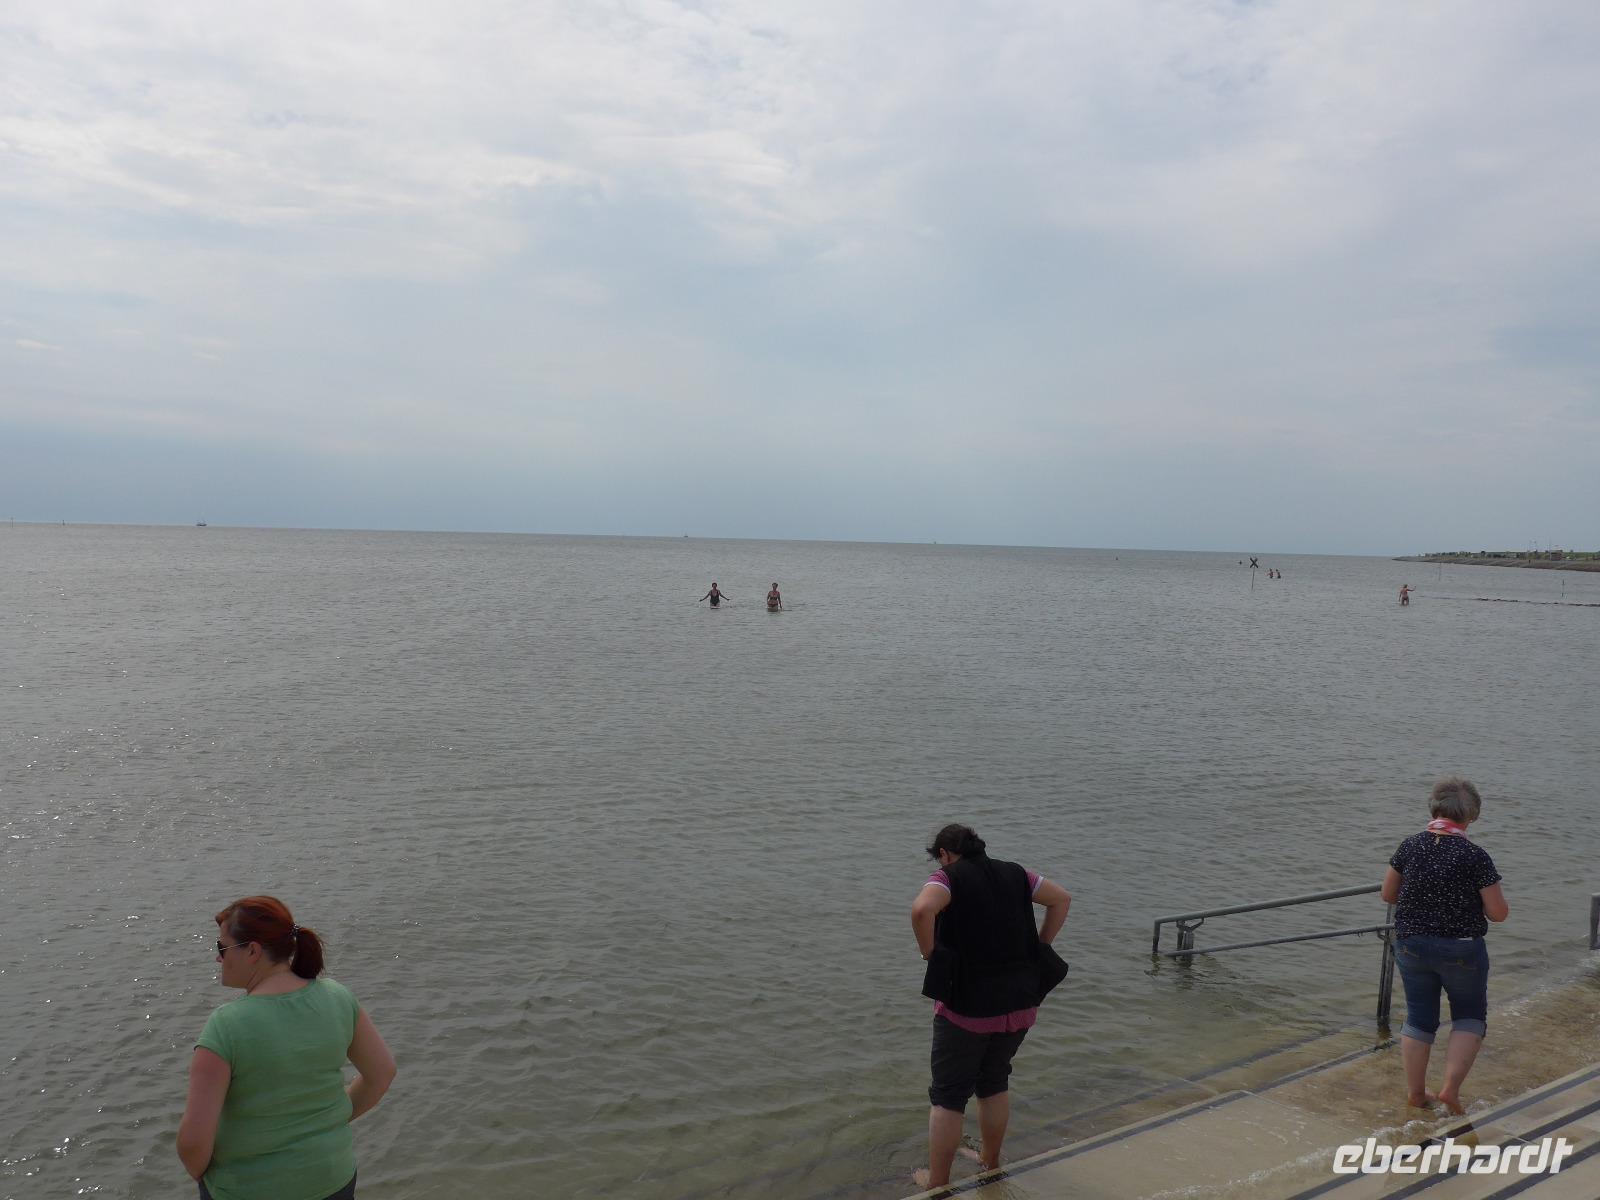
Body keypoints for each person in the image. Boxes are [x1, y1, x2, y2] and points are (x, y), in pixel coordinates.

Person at [177, 897, 397, 1200]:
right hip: (333, 1179)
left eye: (222, 948)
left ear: (252, 951)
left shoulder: (226, 1026)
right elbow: (382, 1073)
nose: (217, 958)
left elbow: (193, 1143)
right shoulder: (337, 997)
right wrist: (325, 1122)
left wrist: (208, 1179)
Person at [910, 825, 1071, 1189]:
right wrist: (1040, 947)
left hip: (968, 1010)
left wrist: (929, 953)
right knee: (994, 1082)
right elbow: (1061, 899)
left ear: (945, 854)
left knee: (949, 1097)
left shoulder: (947, 878)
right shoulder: (1016, 873)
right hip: (1020, 1004)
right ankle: (990, 1162)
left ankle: (937, 1183)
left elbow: (922, 910)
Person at [1381, 778, 1508, 1115]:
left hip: (1411, 944)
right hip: (1461, 949)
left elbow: (1388, 894)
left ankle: (1416, 1093)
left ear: (1434, 807)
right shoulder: (1475, 856)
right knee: (1469, 1016)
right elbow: (1498, 914)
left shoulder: (1410, 846)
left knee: (1419, 1018)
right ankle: (1450, 1089)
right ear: (1472, 815)